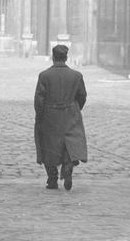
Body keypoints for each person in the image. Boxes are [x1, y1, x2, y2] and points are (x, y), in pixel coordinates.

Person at [34, 44, 87, 190]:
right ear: (66, 58)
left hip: (50, 116)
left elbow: (39, 99)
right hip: (71, 114)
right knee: (69, 142)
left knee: (49, 146)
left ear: (53, 57)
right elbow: (82, 96)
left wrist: (39, 116)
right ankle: (68, 166)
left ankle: (52, 179)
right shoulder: (77, 76)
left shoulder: (44, 75)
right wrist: (75, 109)